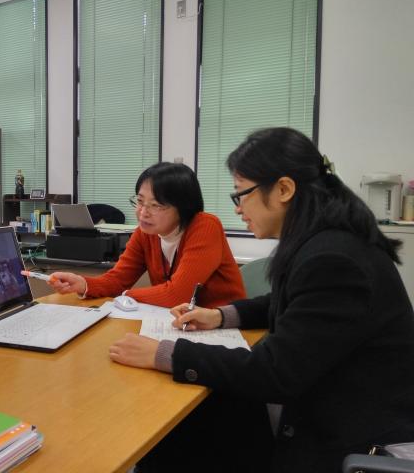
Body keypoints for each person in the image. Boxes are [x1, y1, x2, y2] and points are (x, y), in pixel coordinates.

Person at [108, 127, 414, 472]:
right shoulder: (325, 241)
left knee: (197, 427)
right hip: (328, 402)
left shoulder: (333, 259)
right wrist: (220, 316)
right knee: (202, 421)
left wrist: (165, 353)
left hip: (354, 439)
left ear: (284, 189)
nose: (238, 209)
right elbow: (288, 303)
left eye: (242, 193)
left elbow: (275, 372)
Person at [49, 162, 245, 308]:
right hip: (177, 322)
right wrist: (83, 284)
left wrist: (126, 296)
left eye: (156, 205)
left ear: (183, 208)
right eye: (140, 201)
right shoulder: (146, 233)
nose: (143, 213)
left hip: (225, 327)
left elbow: (177, 296)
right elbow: (118, 279)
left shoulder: (205, 227)